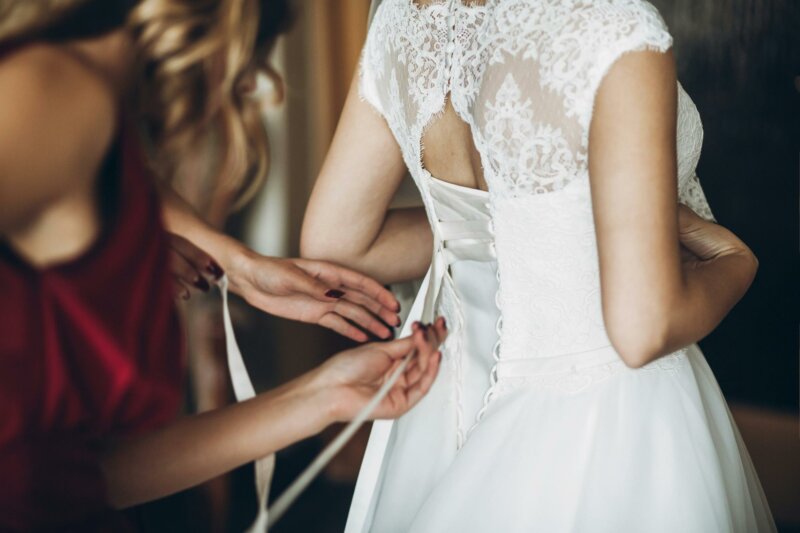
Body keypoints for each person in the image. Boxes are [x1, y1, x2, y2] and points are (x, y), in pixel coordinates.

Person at [300, 0, 778, 531]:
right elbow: (643, 329)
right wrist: (736, 263)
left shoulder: (405, 17)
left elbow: (338, 242)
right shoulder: (614, 25)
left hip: (445, 408)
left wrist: (515, 231)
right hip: (600, 416)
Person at [0, 1, 445, 530]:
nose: (264, 88)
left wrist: (321, 396)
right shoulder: (60, 92)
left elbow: (76, 477)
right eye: (257, 56)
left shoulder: (91, 132)